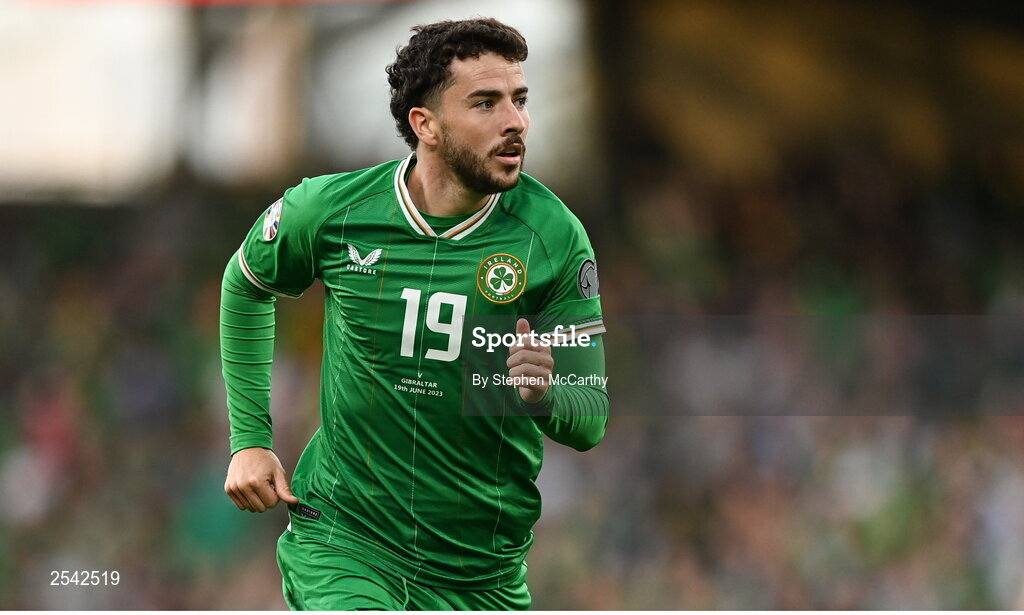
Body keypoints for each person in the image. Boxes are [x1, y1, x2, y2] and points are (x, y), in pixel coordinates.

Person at [220, 17, 609, 610]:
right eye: (486, 103)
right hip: (348, 541)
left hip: (480, 573)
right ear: (424, 124)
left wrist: (545, 394)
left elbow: (591, 417)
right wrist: (249, 440)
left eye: (520, 100)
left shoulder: (554, 238)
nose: (515, 122)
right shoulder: (331, 212)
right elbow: (245, 284)